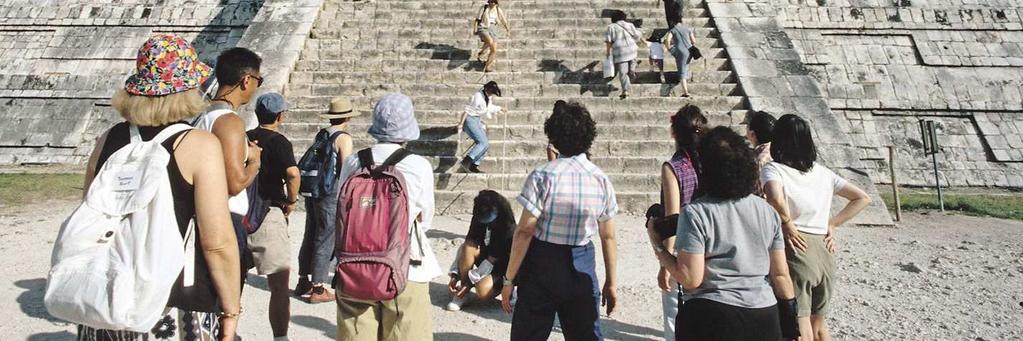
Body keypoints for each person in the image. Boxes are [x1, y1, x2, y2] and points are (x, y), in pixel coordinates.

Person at [78, 34, 241, 340]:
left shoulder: (108, 141)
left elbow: (90, 212)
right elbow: (217, 242)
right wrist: (231, 311)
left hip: (105, 297)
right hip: (171, 304)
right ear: (188, 88)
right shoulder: (198, 145)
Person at [649, 127, 800, 341]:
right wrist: (791, 324)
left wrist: (658, 246)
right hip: (763, 314)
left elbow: (690, 278)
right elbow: (780, 275)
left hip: (712, 315)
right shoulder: (767, 211)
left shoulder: (696, 213)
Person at [501, 101, 619, 340]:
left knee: (529, 333)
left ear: (553, 137)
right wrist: (611, 282)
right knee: (585, 333)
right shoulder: (600, 179)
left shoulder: (542, 175)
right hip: (582, 259)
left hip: (542, 261)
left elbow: (524, 231)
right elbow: (608, 235)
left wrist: (508, 279)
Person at [335, 93, 442, 341]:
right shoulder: (418, 166)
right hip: (406, 266)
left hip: (354, 265)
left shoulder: (353, 161)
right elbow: (425, 220)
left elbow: (339, 209)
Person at [762, 114, 872, 341]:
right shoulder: (822, 172)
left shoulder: (774, 170)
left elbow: (774, 197)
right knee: (819, 326)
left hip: (796, 248)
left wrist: (787, 223)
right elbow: (862, 198)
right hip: (825, 250)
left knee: (800, 324)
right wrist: (832, 223)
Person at [193, 47, 264, 272]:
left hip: (200, 213)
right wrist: (254, 161)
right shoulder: (230, 122)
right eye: (258, 80)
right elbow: (234, 183)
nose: (256, 87)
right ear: (246, 80)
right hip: (225, 219)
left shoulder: (201, 117)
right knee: (225, 300)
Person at [647, 104, 707, 341]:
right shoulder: (712, 161)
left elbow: (673, 218)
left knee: (675, 315)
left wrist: (665, 264)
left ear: (674, 133)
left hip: (685, 245)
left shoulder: (674, 167)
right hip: (713, 242)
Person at [245, 92, 300, 339]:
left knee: (234, 279)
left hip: (242, 209)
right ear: (279, 116)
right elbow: (292, 174)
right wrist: (292, 200)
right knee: (279, 284)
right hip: (269, 211)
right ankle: (280, 337)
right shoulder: (279, 142)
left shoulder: (245, 138)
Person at [296, 96, 356, 303]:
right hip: (330, 193)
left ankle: (303, 279)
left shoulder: (322, 134)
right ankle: (319, 288)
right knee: (326, 237)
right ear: (348, 116)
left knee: (310, 232)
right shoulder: (343, 138)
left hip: (314, 190)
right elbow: (346, 168)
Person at [446, 190, 516, 311]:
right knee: (467, 247)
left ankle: (509, 290)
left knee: (482, 291)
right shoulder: (478, 217)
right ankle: (462, 294)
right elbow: (468, 244)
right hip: (486, 256)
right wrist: (455, 274)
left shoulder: (508, 226)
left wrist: (470, 283)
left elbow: (492, 260)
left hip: (501, 265)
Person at [457, 81, 504, 173]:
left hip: (477, 120)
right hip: (470, 120)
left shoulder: (487, 97)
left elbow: (488, 107)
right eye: (491, 92)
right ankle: (466, 161)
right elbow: (467, 110)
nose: (491, 94)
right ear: (487, 89)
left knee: (486, 144)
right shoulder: (478, 96)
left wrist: (500, 108)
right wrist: (461, 124)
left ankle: (474, 165)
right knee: (481, 142)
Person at [606, 10, 643, 99]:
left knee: (623, 72)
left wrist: (607, 52)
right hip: (632, 49)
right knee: (633, 60)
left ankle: (625, 90)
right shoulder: (629, 25)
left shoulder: (611, 27)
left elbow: (609, 41)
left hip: (620, 52)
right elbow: (637, 36)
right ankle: (632, 69)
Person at [473, 0, 511, 72]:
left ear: (496, 3)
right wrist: (474, 29)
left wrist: (508, 29)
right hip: (483, 26)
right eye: (490, 1)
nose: (491, 3)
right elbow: (477, 19)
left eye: (493, 2)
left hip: (493, 28)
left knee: (494, 49)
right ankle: (482, 53)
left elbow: (503, 19)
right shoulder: (484, 8)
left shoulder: (497, 9)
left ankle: (488, 66)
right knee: (490, 41)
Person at [744, 111, 776, 196]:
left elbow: (760, 194)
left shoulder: (759, 160)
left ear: (752, 134)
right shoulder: (777, 150)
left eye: (747, 126)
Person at [664, 20, 696, 97]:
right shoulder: (688, 29)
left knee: (682, 71)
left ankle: (686, 92)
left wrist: (669, 49)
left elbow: (667, 40)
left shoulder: (673, 30)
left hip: (680, 51)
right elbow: (694, 41)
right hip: (689, 51)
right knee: (685, 67)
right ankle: (683, 80)